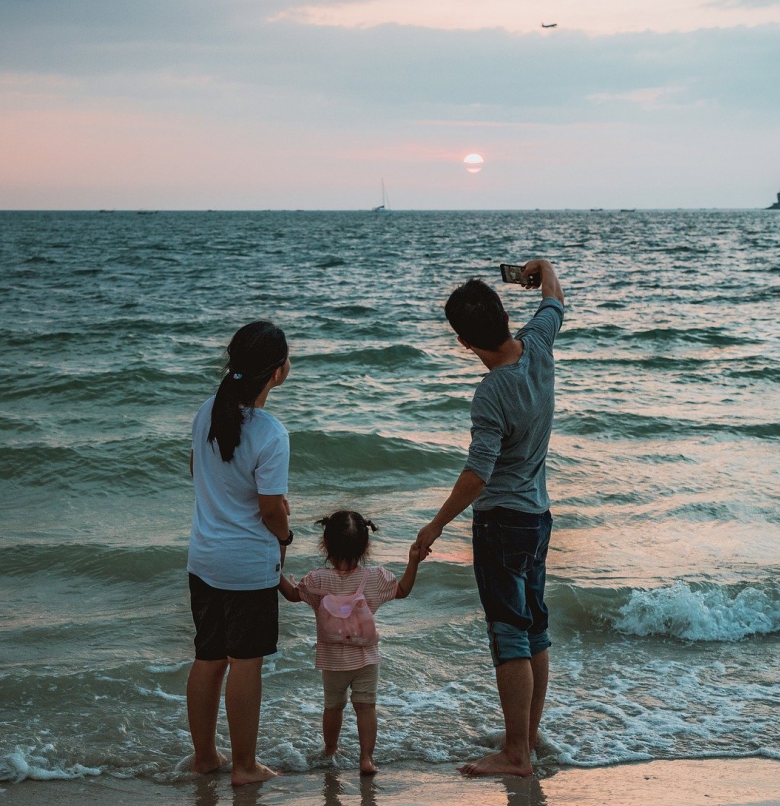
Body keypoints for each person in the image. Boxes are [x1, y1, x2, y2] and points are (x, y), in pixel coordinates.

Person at [413, 258, 565, 777]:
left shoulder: (491, 392)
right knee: (534, 628)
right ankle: (526, 735)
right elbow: (553, 296)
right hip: (538, 516)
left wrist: (434, 526)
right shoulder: (539, 345)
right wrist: (536, 267)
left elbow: (479, 472)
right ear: (504, 314)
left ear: (462, 341)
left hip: (501, 521)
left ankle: (516, 753)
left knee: (509, 634)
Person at [186, 320, 293, 787]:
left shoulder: (206, 411)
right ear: (277, 372)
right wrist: (286, 538)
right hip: (247, 565)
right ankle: (245, 767)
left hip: (204, 558)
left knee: (209, 658)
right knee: (245, 663)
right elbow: (271, 511)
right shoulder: (270, 432)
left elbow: (196, 470)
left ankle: (206, 757)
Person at [278, 511, 422, 775]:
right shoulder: (375, 578)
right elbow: (403, 590)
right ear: (365, 546)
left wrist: (277, 573)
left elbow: (291, 595)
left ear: (326, 544)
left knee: (333, 706)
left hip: (333, 661)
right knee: (366, 707)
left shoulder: (318, 579)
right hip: (366, 659)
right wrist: (413, 561)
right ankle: (366, 759)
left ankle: (330, 750)